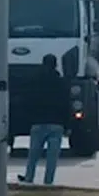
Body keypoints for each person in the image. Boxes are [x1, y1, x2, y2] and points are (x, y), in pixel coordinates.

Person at [19, 53, 70, 185]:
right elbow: (66, 104)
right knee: (52, 157)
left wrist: (28, 119)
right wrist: (67, 124)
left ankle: (29, 177)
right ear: (56, 65)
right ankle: (48, 181)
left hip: (38, 122)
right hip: (56, 124)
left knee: (33, 154)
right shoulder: (61, 82)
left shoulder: (35, 81)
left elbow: (27, 101)